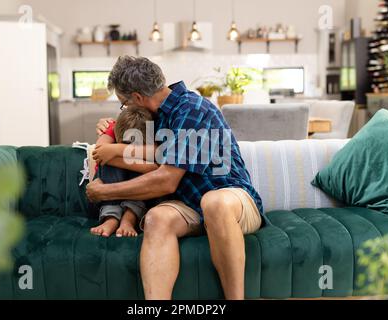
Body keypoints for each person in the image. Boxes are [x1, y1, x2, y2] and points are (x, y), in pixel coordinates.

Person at [87, 56, 266, 300]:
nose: (124, 109)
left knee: (214, 202)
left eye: (123, 104)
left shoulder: (192, 108)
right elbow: (142, 157)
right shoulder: (153, 117)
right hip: (190, 206)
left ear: (138, 98)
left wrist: (105, 191)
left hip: (232, 197)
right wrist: (109, 129)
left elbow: (166, 180)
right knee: (156, 218)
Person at [89, 106, 157, 238]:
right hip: (104, 197)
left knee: (139, 166)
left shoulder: (151, 131)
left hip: (139, 200)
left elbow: (154, 168)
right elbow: (98, 152)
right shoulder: (113, 127)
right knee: (110, 164)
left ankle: (129, 218)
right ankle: (111, 218)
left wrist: (115, 152)